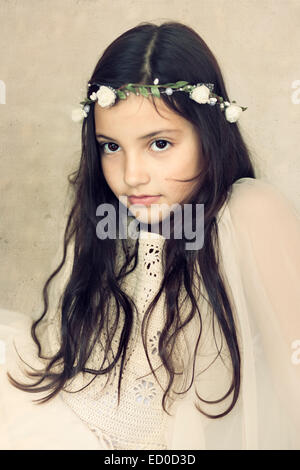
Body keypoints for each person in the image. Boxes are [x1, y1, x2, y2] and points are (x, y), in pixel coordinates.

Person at [1, 20, 300, 450]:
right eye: (111, 146)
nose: (131, 176)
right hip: (79, 421)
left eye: (159, 144)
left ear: (208, 135)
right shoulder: (115, 221)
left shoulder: (250, 211)